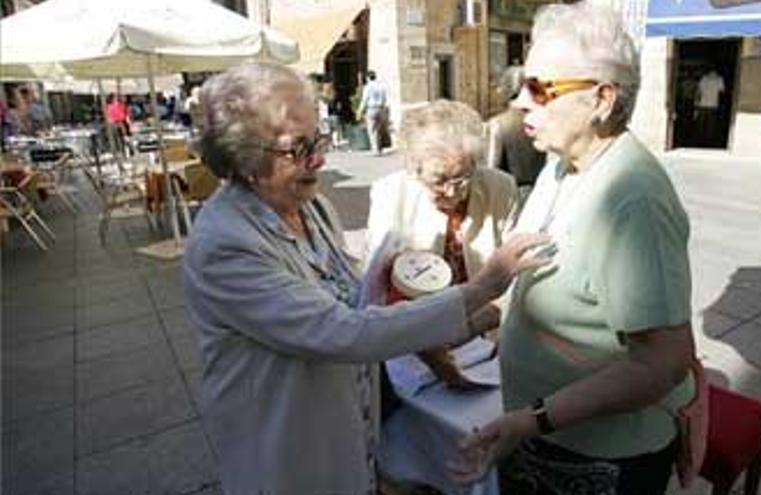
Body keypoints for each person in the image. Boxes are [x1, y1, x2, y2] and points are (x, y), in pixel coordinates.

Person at [181, 62, 549, 495]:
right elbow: (341, 331)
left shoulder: (310, 206)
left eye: (316, 140)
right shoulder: (224, 245)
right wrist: (482, 288)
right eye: (297, 149)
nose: (318, 159)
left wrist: (465, 324)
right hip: (287, 448)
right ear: (242, 158)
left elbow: (358, 302)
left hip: (344, 431)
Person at [452, 3, 696, 494]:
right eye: (522, 82)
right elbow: (530, 280)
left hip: (596, 451)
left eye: (540, 88)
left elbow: (664, 360)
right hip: (544, 431)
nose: (521, 101)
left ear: (602, 99)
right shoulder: (563, 164)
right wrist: (459, 325)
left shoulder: (634, 200)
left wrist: (531, 421)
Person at [367, 99, 519, 389]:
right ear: (413, 169)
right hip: (414, 347)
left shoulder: (500, 188)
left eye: (463, 179)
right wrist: (429, 350)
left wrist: (500, 331)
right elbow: (380, 290)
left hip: (486, 337)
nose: (452, 192)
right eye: (439, 180)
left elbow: (514, 277)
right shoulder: (390, 194)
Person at [487, 66, 547, 200]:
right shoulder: (543, 119)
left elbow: (492, 170)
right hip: (541, 191)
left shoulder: (498, 124)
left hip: (511, 195)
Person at [358, 70, 390, 155]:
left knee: (372, 129)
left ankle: (375, 149)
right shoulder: (381, 86)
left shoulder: (368, 87)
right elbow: (384, 98)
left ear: (368, 78)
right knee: (379, 129)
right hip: (381, 108)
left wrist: (360, 111)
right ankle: (380, 148)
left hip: (371, 109)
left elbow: (365, 100)